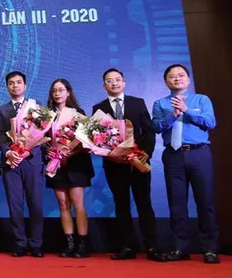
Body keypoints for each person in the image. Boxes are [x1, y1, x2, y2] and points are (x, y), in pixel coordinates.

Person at [92, 68, 165, 262]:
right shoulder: (98, 108)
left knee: (144, 203)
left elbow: (149, 131)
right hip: (115, 164)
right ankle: (127, 246)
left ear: (123, 83)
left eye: (117, 80)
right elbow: (97, 139)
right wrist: (111, 154)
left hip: (138, 161)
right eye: (109, 80)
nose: (114, 83)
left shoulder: (137, 103)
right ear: (104, 85)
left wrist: (145, 154)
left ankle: (152, 248)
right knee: (121, 205)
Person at [151, 64, 220, 264]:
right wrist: (173, 114)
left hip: (199, 153)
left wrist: (187, 110)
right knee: (177, 203)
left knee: (205, 201)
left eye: (181, 75)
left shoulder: (201, 100)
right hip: (173, 155)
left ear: (188, 80)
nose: (177, 79)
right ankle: (180, 248)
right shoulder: (160, 103)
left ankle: (210, 249)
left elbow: (210, 123)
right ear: (166, 82)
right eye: (172, 76)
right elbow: (156, 126)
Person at [0, 71, 44, 257]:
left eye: (18, 82)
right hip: (11, 162)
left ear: (25, 85)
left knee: (35, 203)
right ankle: (20, 243)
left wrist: (28, 149)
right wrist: (8, 151)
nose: (15, 86)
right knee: (15, 204)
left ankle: (37, 243)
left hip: (31, 161)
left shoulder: (36, 107)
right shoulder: (2, 110)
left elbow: (42, 133)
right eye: (11, 83)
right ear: (7, 87)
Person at [44, 79, 94, 258]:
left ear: (68, 92)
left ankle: (82, 244)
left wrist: (70, 153)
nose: (57, 93)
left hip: (75, 163)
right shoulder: (45, 115)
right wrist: (48, 149)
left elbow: (85, 139)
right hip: (55, 164)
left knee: (78, 204)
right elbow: (41, 138)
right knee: (63, 204)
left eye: (61, 90)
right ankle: (69, 243)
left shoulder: (78, 113)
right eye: (54, 91)